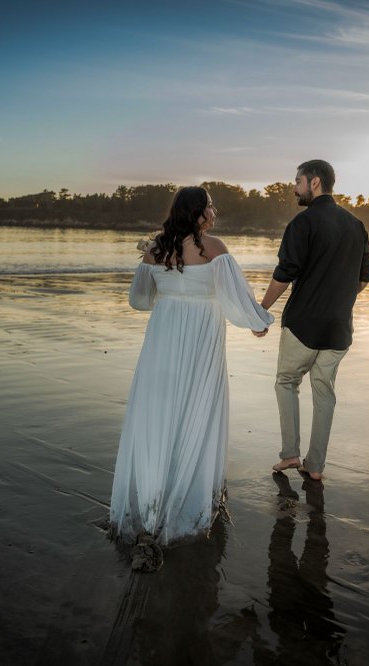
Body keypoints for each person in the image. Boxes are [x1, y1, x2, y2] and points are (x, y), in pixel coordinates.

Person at [110, 186, 274, 554]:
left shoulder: (155, 249)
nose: (214, 212)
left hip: (163, 336)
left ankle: (151, 499)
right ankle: (189, 494)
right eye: (210, 206)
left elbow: (139, 300)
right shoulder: (214, 248)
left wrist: (165, 286)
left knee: (159, 409)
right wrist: (257, 321)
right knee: (197, 405)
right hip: (202, 336)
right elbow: (236, 297)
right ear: (198, 212)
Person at [260, 160, 369, 481]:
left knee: (287, 382)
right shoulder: (356, 224)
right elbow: (365, 276)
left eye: (298, 181)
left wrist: (261, 310)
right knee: (325, 392)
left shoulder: (303, 223)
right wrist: (338, 299)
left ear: (314, 182)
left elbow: (285, 274)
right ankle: (315, 466)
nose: (294, 187)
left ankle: (290, 454)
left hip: (303, 324)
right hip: (339, 327)